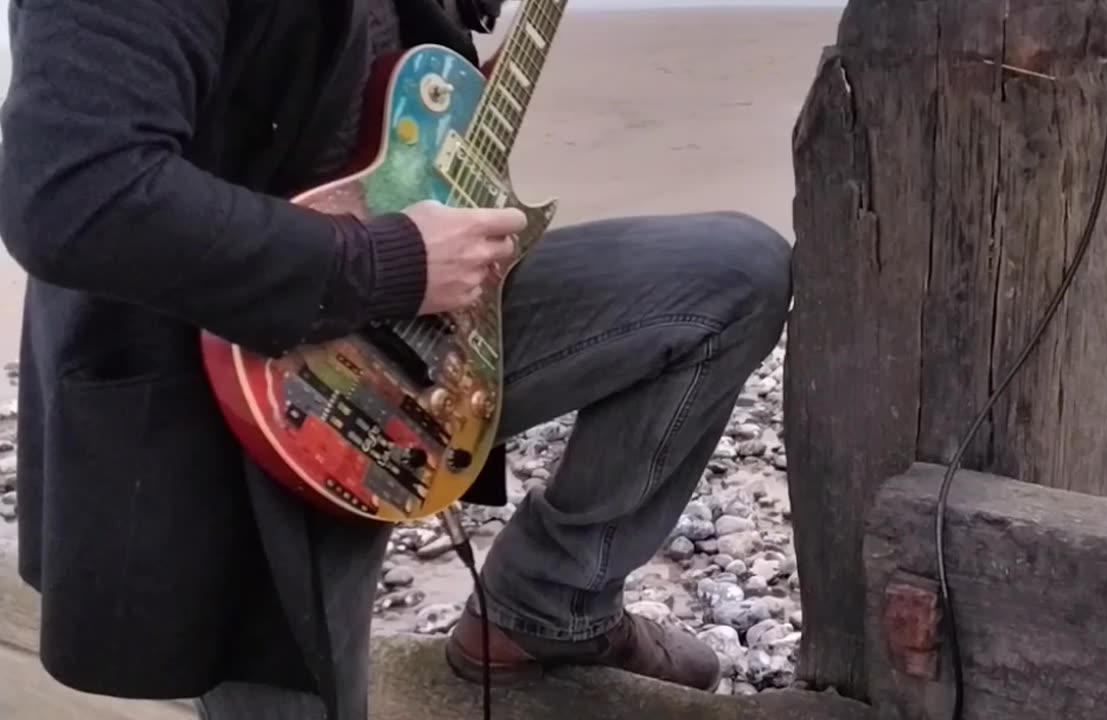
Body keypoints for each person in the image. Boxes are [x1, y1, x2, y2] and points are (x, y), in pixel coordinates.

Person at [0, 0, 792, 718]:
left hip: (410, 314)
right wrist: (389, 266)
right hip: (230, 397)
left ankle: (545, 607)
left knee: (729, 277)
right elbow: (74, 195)